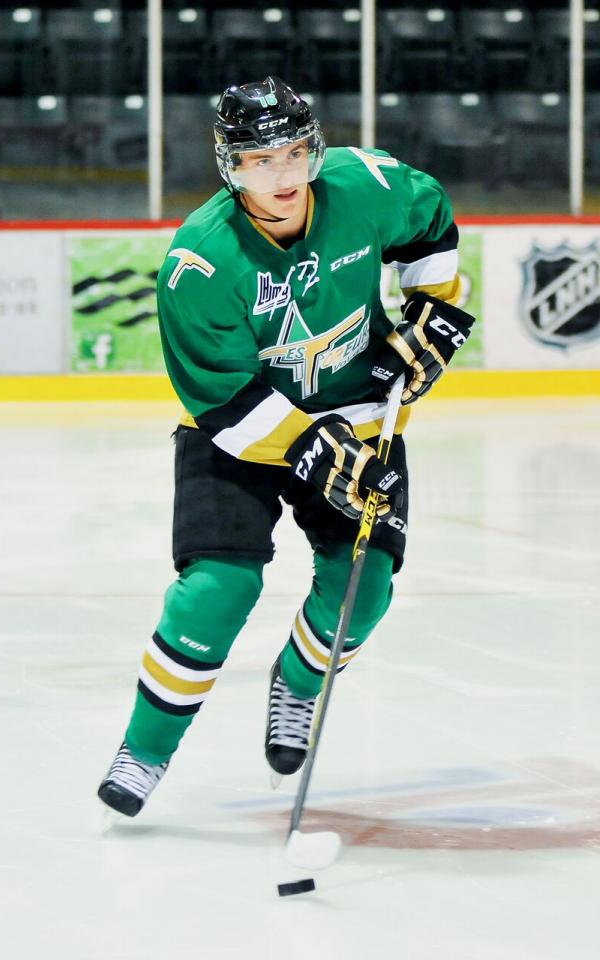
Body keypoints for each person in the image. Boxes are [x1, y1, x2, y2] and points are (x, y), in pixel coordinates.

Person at [97, 76, 475, 817]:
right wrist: (313, 449)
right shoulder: (199, 264)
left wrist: (431, 308)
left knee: (364, 589)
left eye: (296, 152)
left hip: (360, 412)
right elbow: (224, 402)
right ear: (230, 166)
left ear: (316, 150)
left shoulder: (364, 186)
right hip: (240, 437)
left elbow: (430, 221)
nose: (283, 175)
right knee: (218, 589)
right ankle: (144, 748)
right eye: (260, 159)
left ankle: (297, 685)